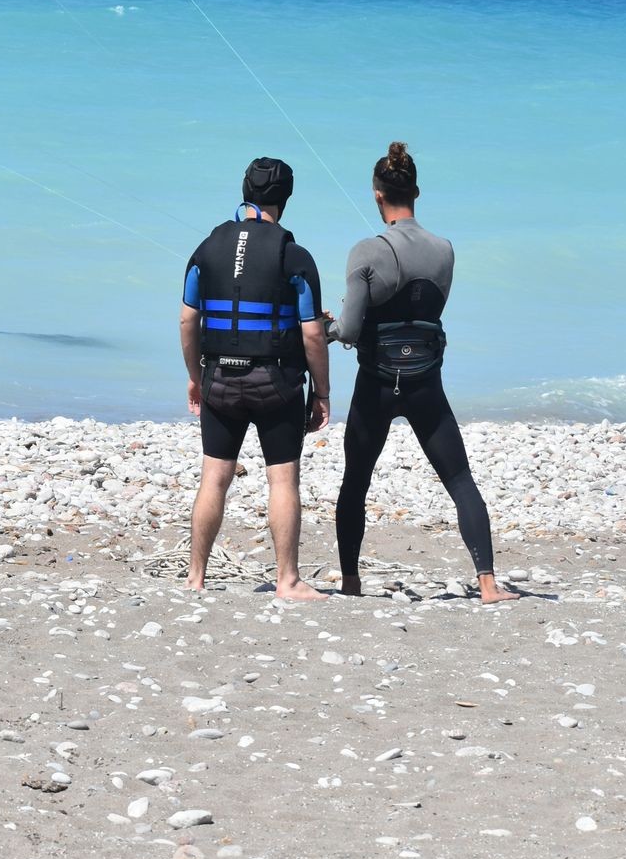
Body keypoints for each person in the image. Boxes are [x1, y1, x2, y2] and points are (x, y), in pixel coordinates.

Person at [328, 142, 517, 603]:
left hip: (375, 383)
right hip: (424, 384)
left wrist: (325, 327)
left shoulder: (365, 252)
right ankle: (488, 584)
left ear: (377, 195)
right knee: (459, 480)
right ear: (416, 192)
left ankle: (351, 582)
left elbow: (351, 329)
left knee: (356, 480)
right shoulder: (444, 251)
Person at [180, 156, 331, 598]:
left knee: (214, 478)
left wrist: (195, 376)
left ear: (244, 189)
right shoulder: (293, 254)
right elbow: (312, 334)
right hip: (276, 382)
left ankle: (196, 577)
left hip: (218, 380)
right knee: (282, 480)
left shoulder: (206, 248)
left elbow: (188, 321)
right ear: (285, 198)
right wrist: (321, 392)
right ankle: (287, 580)